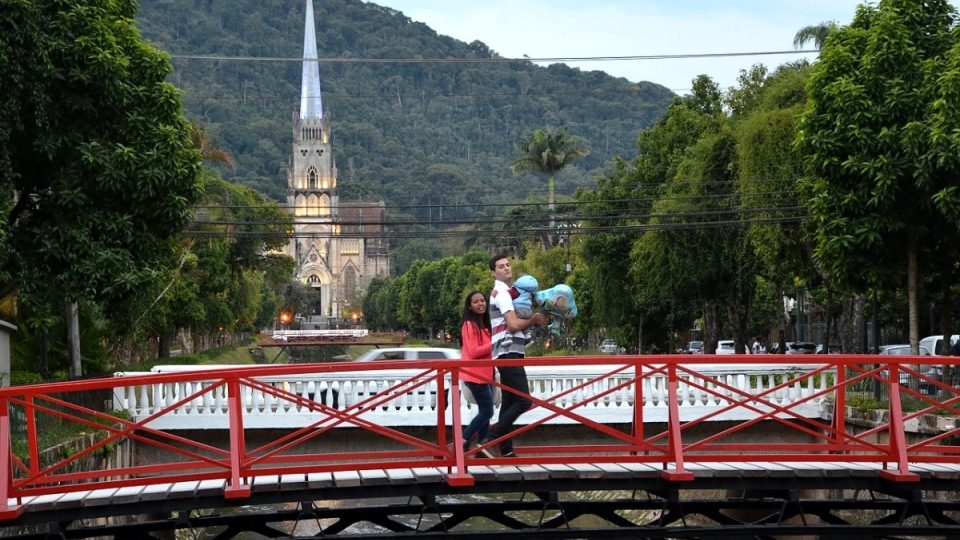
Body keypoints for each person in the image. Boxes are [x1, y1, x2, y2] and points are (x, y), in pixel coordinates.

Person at [481, 254, 547, 458]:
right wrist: (534, 319)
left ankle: (506, 450)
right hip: (507, 352)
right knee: (524, 400)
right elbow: (514, 324)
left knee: (510, 401)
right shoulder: (502, 293)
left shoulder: (508, 292)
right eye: (501, 267)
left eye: (508, 265)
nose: (506, 268)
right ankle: (491, 437)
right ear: (493, 272)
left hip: (509, 351)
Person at [458, 291, 494, 452]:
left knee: (485, 411)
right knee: (487, 411)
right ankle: (463, 440)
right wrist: (495, 343)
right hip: (475, 376)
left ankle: (482, 445)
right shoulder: (469, 325)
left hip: (486, 375)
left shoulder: (484, 326)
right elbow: (473, 352)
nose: (480, 304)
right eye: (476, 302)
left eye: (482, 301)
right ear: (469, 306)